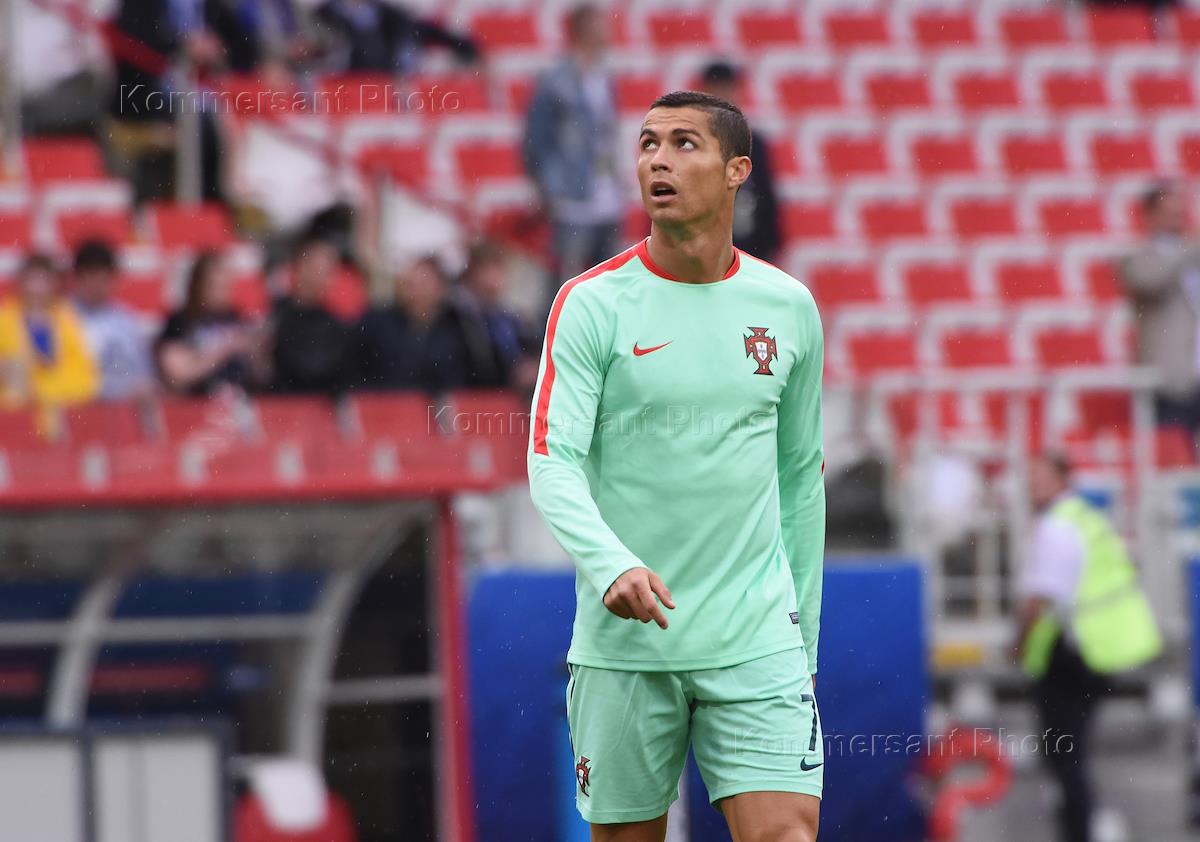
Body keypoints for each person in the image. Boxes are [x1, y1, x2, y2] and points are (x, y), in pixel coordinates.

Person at [527, 91, 825, 840]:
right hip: (627, 649)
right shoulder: (590, 304)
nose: (658, 159)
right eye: (647, 143)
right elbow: (551, 462)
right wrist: (612, 565)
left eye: (684, 143)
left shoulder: (788, 307)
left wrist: (804, 643)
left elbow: (801, 480)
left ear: (737, 171)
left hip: (758, 643)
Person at [1015, 453, 1162, 842]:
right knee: (1069, 750)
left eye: (1041, 479)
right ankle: (1083, 821)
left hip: (1076, 652)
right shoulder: (1088, 519)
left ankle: (1080, 827)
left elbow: (1039, 599)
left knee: (1064, 754)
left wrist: (1018, 644)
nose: (1032, 488)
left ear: (1062, 480)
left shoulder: (1057, 527)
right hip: (1101, 648)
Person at [523, 4, 624, 308]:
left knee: (606, 282)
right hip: (571, 195)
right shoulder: (556, 80)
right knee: (563, 283)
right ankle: (553, 333)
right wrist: (547, 186)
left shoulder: (605, 77)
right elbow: (536, 138)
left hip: (605, 192)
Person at [1118, 182, 1200, 444]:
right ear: (1151, 215)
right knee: (1172, 453)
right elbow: (1151, 281)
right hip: (1170, 381)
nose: (1177, 220)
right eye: (1170, 213)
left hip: (1196, 374)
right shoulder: (1139, 258)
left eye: (1180, 213)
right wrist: (1189, 247)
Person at [353, 255, 498, 394]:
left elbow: (477, 377)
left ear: (441, 288)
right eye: (410, 285)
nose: (415, 293)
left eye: (423, 285)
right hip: (387, 404)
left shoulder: (461, 328)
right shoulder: (377, 324)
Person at [700, 61, 783, 264]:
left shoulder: (754, 143)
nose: (723, 95)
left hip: (749, 249)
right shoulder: (691, 142)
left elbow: (767, 197)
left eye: (727, 88)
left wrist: (769, 247)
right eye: (717, 88)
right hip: (701, 252)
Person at [156, 252, 265, 396]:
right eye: (215, 286)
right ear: (198, 285)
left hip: (238, 401)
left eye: (226, 286)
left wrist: (257, 351)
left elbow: (262, 374)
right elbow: (177, 374)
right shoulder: (180, 321)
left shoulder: (238, 320)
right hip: (194, 402)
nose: (223, 293)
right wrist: (225, 349)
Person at [0, 254, 99, 411]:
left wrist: (44, 387)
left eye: (43, 281)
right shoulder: (4, 319)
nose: (36, 289)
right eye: (31, 280)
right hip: (13, 410)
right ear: (20, 283)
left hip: (59, 403)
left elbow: (85, 373)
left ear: (54, 284)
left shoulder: (67, 318)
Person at [71, 240, 157, 402]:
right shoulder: (62, 317)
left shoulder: (126, 320)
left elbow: (145, 374)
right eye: (93, 276)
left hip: (124, 406)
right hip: (80, 405)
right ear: (79, 277)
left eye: (104, 277)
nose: (98, 285)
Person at [270, 234, 353, 395]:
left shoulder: (335, 326)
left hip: (315, 405)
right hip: (278, 403)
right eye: (317, 269)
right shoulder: (274, 313)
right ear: (300, 267)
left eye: (328, 271)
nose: (322, 277)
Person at [453, 241, 540, 392]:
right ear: (473, 273)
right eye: (488, 269)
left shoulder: (508, 316)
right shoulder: (457, 316)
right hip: (477, 396)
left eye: (499, 269)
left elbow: (528, 348)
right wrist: (511, 374)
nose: (495, 278)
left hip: (507, 397)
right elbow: (477, 366)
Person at [313, 0, 479, 75]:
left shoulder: (385, 14)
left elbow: (422, 30)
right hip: (346, 87)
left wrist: (466, 48)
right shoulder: (322, 16)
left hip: (384, 85)